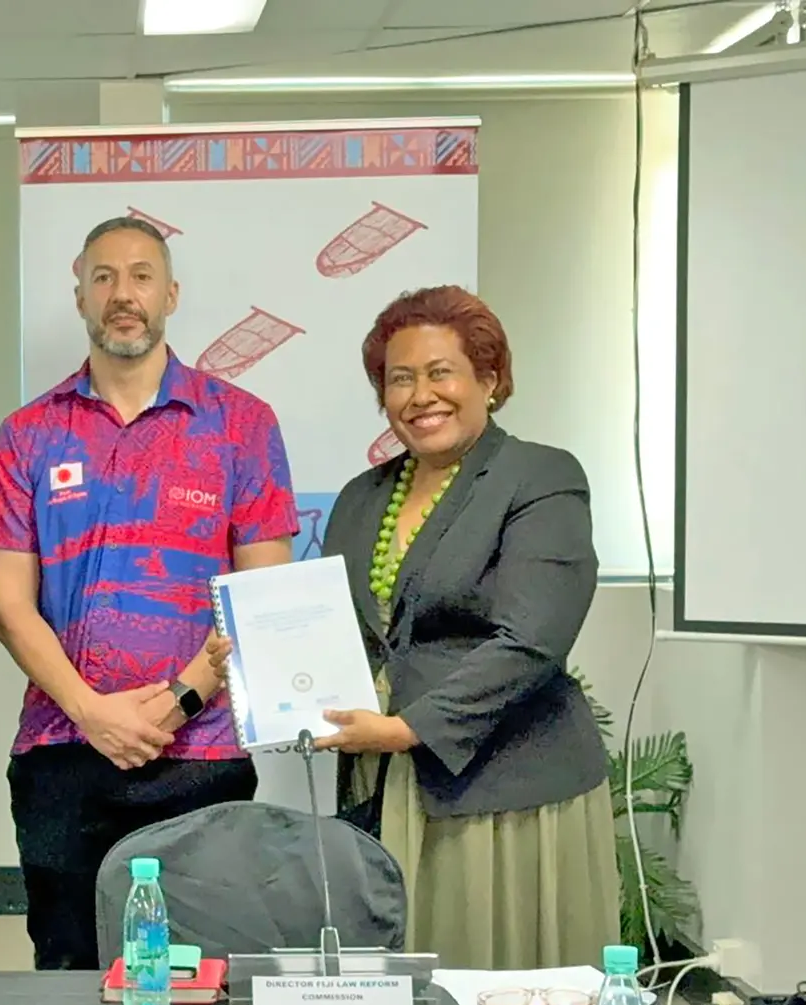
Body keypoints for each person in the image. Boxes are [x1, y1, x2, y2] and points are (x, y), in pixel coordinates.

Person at [208, 284, 619, 969]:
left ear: (488, 379)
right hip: (384, 784)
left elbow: (532, 640)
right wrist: (255, 658)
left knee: (495, 992)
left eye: (440, 372)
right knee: (397, 984)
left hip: (505, 791)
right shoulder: (361, 497)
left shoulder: (540, 478)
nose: (419, 395)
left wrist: (406, 731)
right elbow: (338, 629)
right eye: (400, 379)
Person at [0, 217, 300, 970]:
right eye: (105, 277)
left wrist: (180, 698)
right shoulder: (27, 435)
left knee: (201, 982)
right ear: (81, 296)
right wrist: (93, 713)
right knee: (68, 978)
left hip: (203, 752)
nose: (125, 294)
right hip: (63, 753)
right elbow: (9, 602)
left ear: (172, 294)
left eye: (142, 275)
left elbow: (264, 597)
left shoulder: (242, 425)